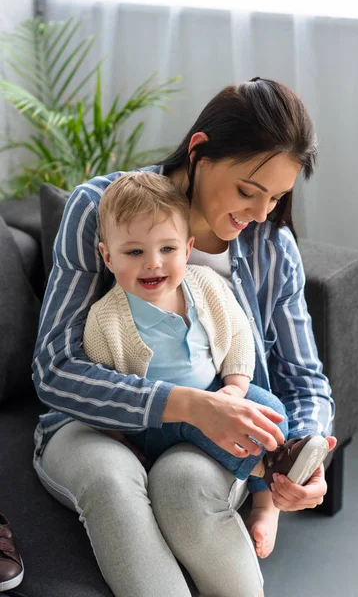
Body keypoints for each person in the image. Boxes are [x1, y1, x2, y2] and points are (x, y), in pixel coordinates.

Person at [32, 77, 337, 597]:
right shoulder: (98, 208)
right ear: (199, 152)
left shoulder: (272, 248)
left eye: (277, 197)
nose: (260, 214)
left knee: (184, 488)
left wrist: (305, 459)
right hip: (95, 424)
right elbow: (54, 367)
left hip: (214, 436)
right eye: (247, 190)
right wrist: (185, 405)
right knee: (110, 481)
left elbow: (304, 377)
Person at [82, 170, 330, 559]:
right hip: (159, 416)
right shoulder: (105, 319)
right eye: (134, 252)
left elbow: (237, 337)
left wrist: (235, 385)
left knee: (269, 406)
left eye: (167, 249)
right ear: (107, 255)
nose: (153, 264)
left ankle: (268, 506)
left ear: (187, 248)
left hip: (218, 387)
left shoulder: (207, 286)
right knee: (206, 426)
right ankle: (270, 468)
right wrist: (125, 445)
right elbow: (104, 390)